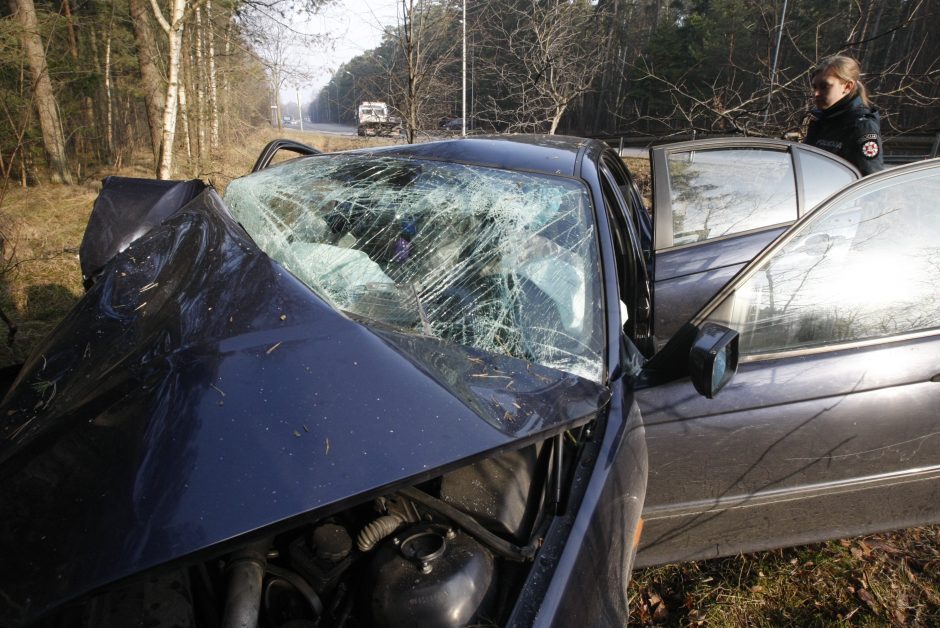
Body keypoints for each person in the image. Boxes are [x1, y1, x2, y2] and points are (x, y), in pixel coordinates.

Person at [804, 55, 884, 176]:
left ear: (847, 86)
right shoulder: (820, 121)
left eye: (824, 86)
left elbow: (871, 181)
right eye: (814, 87)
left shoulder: (862, 126)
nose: (816, 93)